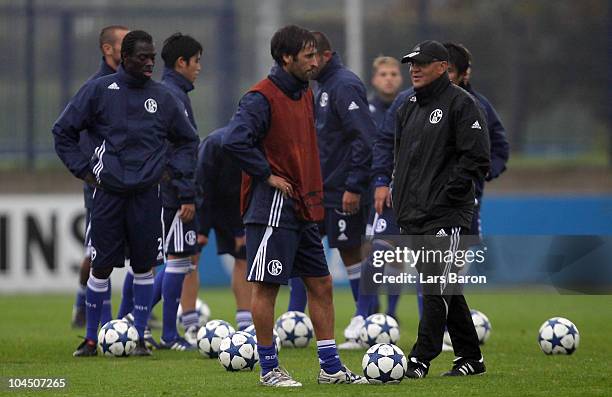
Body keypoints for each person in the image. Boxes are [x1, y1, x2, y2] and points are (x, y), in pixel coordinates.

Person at [222, 24, 366, 387]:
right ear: (286, 58)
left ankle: (330, 367)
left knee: (321, 284)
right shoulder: (260, 97)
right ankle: (269, 369)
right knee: (267, 288)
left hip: (303, 206)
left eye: (317, 55)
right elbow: (235, 141)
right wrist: (265, 174)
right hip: (272, 207)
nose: (316, 62)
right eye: (308, 56)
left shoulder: (305, 92)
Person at [53, 30, 199, 357]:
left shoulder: (163, 97)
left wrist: (172, 170)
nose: (149, 63)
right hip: (108, 193)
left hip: (147, 195)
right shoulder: (99, 91)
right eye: (142, 57)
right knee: (102, 265)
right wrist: (85, 170)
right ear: (125, 58)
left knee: (145, 266)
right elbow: (62, 131)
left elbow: (188, 141)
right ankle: (92, 338)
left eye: (152, 57)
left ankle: (140, 336)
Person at [372, 40, 490, 377]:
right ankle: (471, 357)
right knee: (444, 286)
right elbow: (401, 158)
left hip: (447, 214)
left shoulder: (462, 104)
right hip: (413, 213)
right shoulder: (407, 105)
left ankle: (420, 358)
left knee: (435, 286)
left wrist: (447, 195)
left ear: (442, 66)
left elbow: (477, 157)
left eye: (421, 63)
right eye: (411, 63)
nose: (414, 69)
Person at [286, 31, 376, 351]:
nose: (309, 65)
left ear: (325, 56)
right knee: (302, 248)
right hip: (318, 190)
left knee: (350, 249)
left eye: (313, 58)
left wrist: (354, 186)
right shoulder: (320, 87)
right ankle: (293, 318)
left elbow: (364, 139)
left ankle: (363, 319)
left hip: (341, 190)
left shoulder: (344, 84)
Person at [147, 32, 203, 351]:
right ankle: (169, 334)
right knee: (178, 260)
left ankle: (134, 321)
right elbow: (178, 149)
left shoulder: (170, 92)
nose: (199, 68)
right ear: (181, 62)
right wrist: (186, 193)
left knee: (172, 260)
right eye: (196, 62)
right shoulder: (173, 95)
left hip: (164, 188)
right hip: (173, 192)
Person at [71, 25, 129, 329]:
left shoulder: (135, 84)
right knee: (96, 251)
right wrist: (90, 171)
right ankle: (84, 306)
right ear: (108, 49)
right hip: (102, 183)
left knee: (140, 252)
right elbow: (72, 131)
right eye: (124, 43)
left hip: (133, 183)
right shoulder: (95, 87)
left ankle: (134, 310)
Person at [443, 42, 510, 238]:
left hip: (465, 199)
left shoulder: (480, 106)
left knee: (458, 256)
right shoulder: (415, 102)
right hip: (425, 199)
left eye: (467, 67)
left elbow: (500, 147)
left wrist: (487, 170)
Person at [195, 126, 252, 336]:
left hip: (233, 207)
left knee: (243, 255)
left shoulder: (253, 144)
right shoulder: (213, 144)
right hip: (201, 201)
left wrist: (239, 229)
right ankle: (190, 322)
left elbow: (245, 190)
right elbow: (201, 187)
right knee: (188, 259)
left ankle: (245, 323)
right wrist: (201, 229)